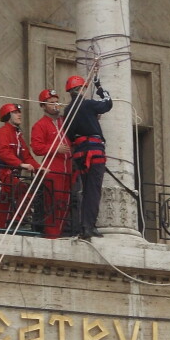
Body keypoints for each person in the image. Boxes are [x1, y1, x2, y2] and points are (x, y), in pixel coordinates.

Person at [63, 75, 112, 239]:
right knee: (93, 191)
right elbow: (107, 104)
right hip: (94, 152)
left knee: (85, 189)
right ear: (82, 89)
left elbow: (69, 134)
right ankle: (88, 227)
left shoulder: (68, 110)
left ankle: (84, 225)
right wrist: (99, 87)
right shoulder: (87, 104)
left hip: (80, 154)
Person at [30, 88, 74, 238]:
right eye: (51, 103)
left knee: (67, 203)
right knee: (54, 203)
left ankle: (62, 232)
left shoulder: (65, 122)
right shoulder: (40, 125)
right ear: (43, 106)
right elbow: (37, 148)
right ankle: (52, 235)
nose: (56, 105)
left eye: (57, 102)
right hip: (53, 169)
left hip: (69, 168)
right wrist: (56, 148)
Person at [0, 103, 40, 230]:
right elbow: (3, 152)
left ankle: (1, 227)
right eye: (15, 112)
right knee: (22, 190)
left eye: (19, 112)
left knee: (4, 204)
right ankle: (18, 220)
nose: (19, 115)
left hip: (9, 174)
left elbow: (27, 155)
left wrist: (39, 168)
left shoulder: (18, 136)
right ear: (8, 116)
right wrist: (21, 164)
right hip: (2, 172)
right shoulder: (2, 133)